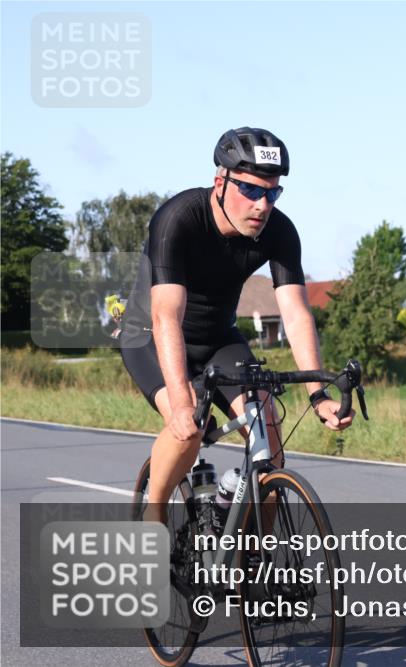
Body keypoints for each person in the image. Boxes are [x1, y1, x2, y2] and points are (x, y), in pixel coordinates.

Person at [120, 127, 352, 520]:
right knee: (190, 426)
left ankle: (250, 566)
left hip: (219, 341)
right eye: (250, 190)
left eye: (272, 192)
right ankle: (153, 515)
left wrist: (318, 394)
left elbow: (295, 314)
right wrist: (179, 401)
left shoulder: (278, 230)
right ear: (220, 182)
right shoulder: (178, 218)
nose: (262, 205)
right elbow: (166, 317)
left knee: (269, 435)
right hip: (150, 337)